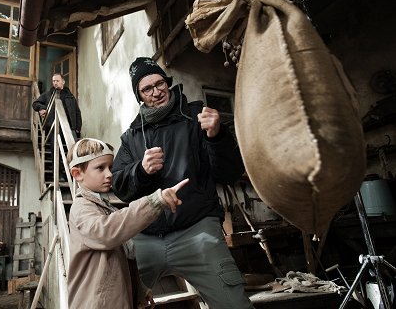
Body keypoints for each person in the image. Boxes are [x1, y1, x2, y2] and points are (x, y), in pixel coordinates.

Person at [111, 57, 254, 308]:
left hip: (197, 231)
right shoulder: (131, 136)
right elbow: (120, 187)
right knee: (118, 298)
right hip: (146, 238)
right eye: (147, 89)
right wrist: (141, 171)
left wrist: (217, 137)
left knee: (235, 305)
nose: (156, 92)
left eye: (160, 83)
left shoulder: (197, 117)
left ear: (167, 83)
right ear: (140, 96)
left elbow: (228, 173)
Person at [66, 137, 189, 309]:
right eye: (100, 168)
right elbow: (107, 232)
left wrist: (139, 289)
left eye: (110, 167)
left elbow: (120, 260)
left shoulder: (104, 207)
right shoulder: (81, 208)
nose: (109, 174)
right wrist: (153, 202)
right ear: (77, 174)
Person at [33, 73, 82, 180]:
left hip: (70, 128)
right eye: (53, 81)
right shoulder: (47, 95)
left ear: (63, 82)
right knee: (56, 151)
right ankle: (59, 175)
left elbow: (77, 112)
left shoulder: (70, 96)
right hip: (54, 128)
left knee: (73, 152)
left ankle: (74, 173)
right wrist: (41, 108)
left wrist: (78, 127)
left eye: (57, 81)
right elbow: (35, 103)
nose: (55, 83)